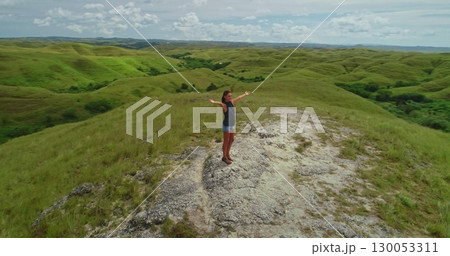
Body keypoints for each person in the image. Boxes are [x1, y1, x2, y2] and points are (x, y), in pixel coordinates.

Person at [209, 90, 251, 164]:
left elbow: (238, 97)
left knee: (231, 139)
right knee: (226, 141)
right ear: (225, 97)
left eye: (231, 96)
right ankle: (224, 157)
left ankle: (227, 154)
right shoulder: (224, 105)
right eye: (229, 96)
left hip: (232, 124)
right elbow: (220, 103)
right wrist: (213, 102)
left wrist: (245, 94)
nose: (230, 97)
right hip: (227, 126)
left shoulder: (231, 102)